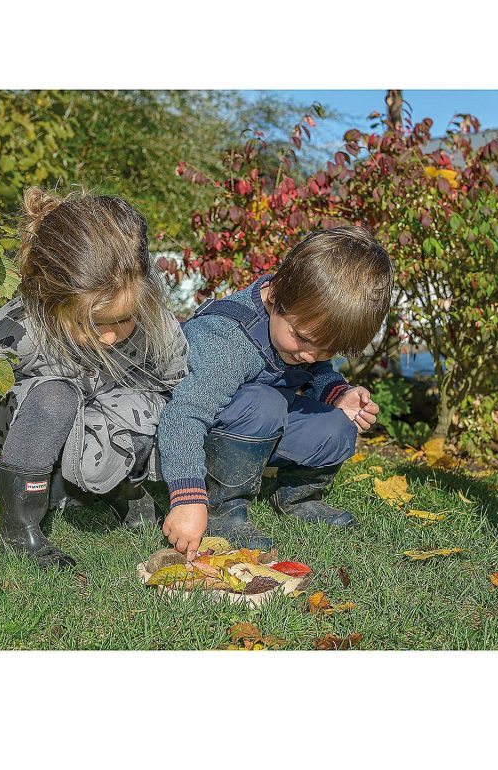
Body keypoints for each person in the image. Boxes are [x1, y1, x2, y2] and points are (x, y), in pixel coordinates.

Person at [0, 187, 188, 571]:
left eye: (122, 320)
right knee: (55, 397)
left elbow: (178, 389)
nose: (108, 337)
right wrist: (13, 380)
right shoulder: (22, 328)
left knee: (155, 402)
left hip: (106, 419)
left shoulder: (158, 328)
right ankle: (21, 527)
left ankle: (123, 488)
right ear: (49, 298)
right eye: (89, 323)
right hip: (33, 422)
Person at [157, 225, 393, 559]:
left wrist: (337, 394)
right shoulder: (224, 340)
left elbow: (314, 371)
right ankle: (221, 507)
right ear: (278, 292)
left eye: (328, 349)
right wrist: (187, 497)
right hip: (204, 435)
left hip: (261, 428)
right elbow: (184, 415)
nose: (310, 355)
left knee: (337, 424)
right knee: (264, 403)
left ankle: (300, 498)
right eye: (303, 338)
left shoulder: (301, 332)